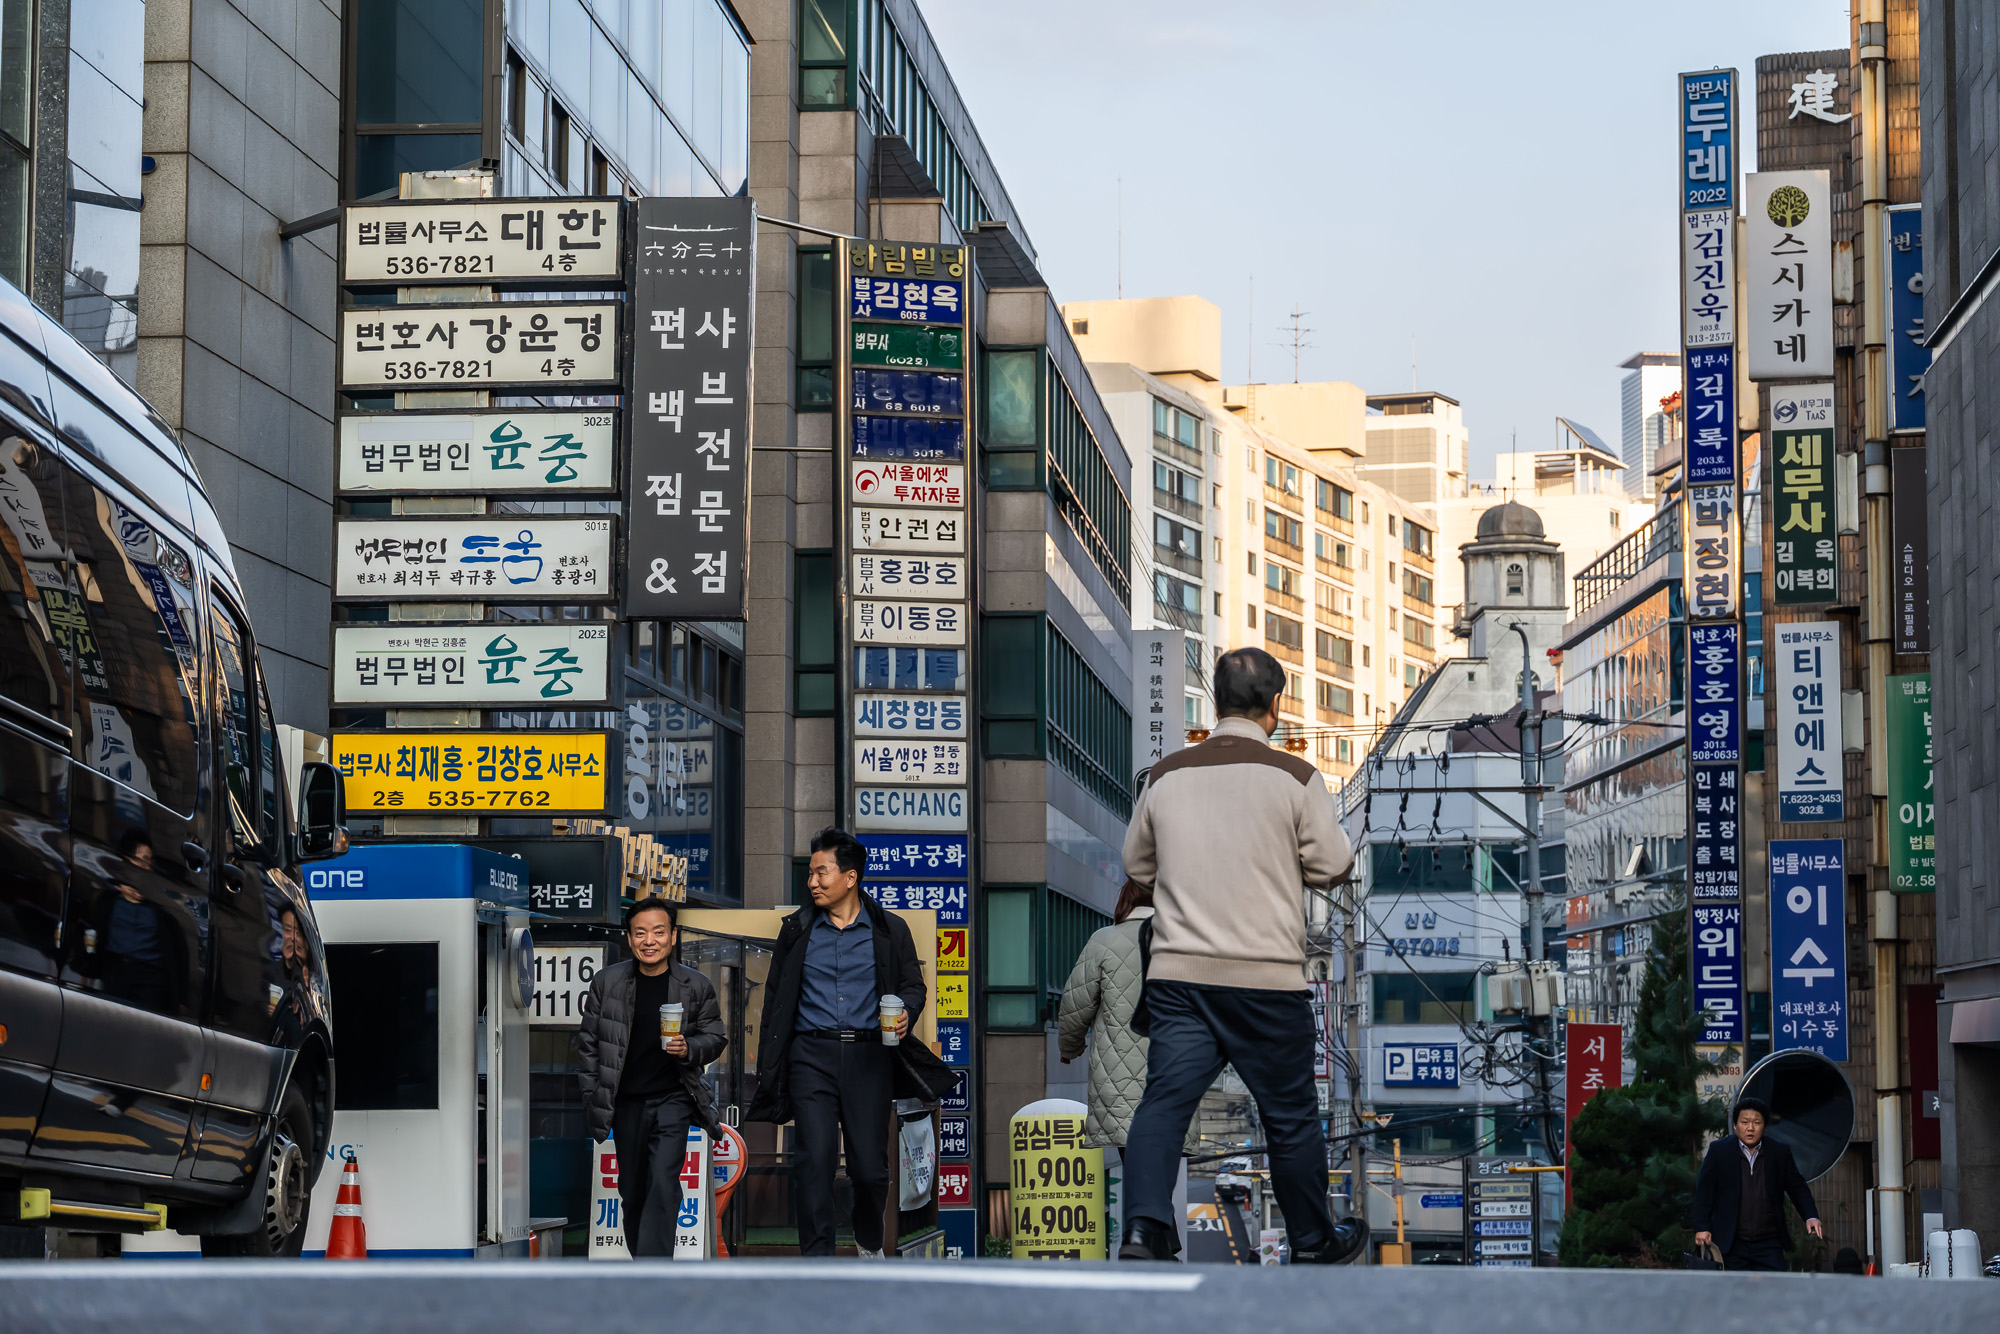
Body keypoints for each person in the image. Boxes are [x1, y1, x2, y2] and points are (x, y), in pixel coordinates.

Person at [1117, 646, 1367, 1264]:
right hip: (1268, 982)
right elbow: (1333, 865)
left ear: (1219, 701)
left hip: (1179, 978)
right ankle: (1311, 1241)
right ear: (1274, 706)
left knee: (1165, 1103)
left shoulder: (1164, 775)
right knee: (1289, 1115)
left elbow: (1136, 865)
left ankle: (1144, 1232)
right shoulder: (1296, 777)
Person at [747, 826, 953, 1257]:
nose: (813, 882)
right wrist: (771, 1059)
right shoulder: (797, 930)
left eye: (822, 873)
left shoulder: (888, 930)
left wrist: (904, 1018)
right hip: (810, 1056)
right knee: (814, 1160)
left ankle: (867, 1241)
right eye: (810, 874)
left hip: (869, 1056)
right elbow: (776, 1000)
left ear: (850, 877)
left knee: (870, 1170)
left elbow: (914, 987)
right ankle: (817, 1263)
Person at [577, 898, 727, 1258]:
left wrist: (688, 1048)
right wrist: (593, 1098)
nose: (650, 940)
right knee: (633, 1191)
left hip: (673, 1099)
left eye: (659, 932)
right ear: (629, 939)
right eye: (640, 933)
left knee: (663, 1182)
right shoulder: (606, 983)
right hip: (626, 1102)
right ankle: (646, 1264)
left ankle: (653, 1274)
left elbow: (716, 1036)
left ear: (672, 936)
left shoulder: (695, 985)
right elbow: (587, 1046)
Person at [1058, 878, 1198, 1257]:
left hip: (1117, 1086)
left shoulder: (1104, 941)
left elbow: (1074, 1009)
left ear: (1125, 900)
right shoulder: (1188, 942)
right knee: (1158, 1178)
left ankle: (1145, 1247)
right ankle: (1153, 1251)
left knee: (1143, 1175)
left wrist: (1069, 1048)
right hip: (1175, 1078)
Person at [1692, 1096, 1823, 1271]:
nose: (1750, 1128)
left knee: (1773, 1292)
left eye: (1757, 1123)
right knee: (1733, 1293)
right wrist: (1702, 1227)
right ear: (1735, 1125)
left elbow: (1797, 1186)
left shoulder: (1779, 1152)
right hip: (1732, 1242)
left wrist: (1811, 1216)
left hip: (1769, 1242)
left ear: (1764, 1126)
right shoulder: (1719, 1151)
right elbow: (1704, 1191)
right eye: (1745, 1122)